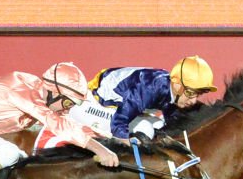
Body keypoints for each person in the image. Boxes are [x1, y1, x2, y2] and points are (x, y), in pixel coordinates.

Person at [0, 61, 119, 173]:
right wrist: (100, 150)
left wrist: (112, 139)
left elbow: (69, 124)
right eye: (67, 103)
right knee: (9, 154)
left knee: (17, 156)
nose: (67, 110)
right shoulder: (23, 91)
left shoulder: (38, 91)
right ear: (53, 92)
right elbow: (57, 124)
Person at [84, 55, 217, 140]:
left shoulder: (170, 89)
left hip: (125, 102)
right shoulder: (150, 88)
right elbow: (118, 123)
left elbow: (171, 124)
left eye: (197, 94)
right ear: (177, 85)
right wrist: (126, 141)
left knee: (160, 127)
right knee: (145, 129)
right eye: (190, 93)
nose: (193, 101)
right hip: (98, 100)